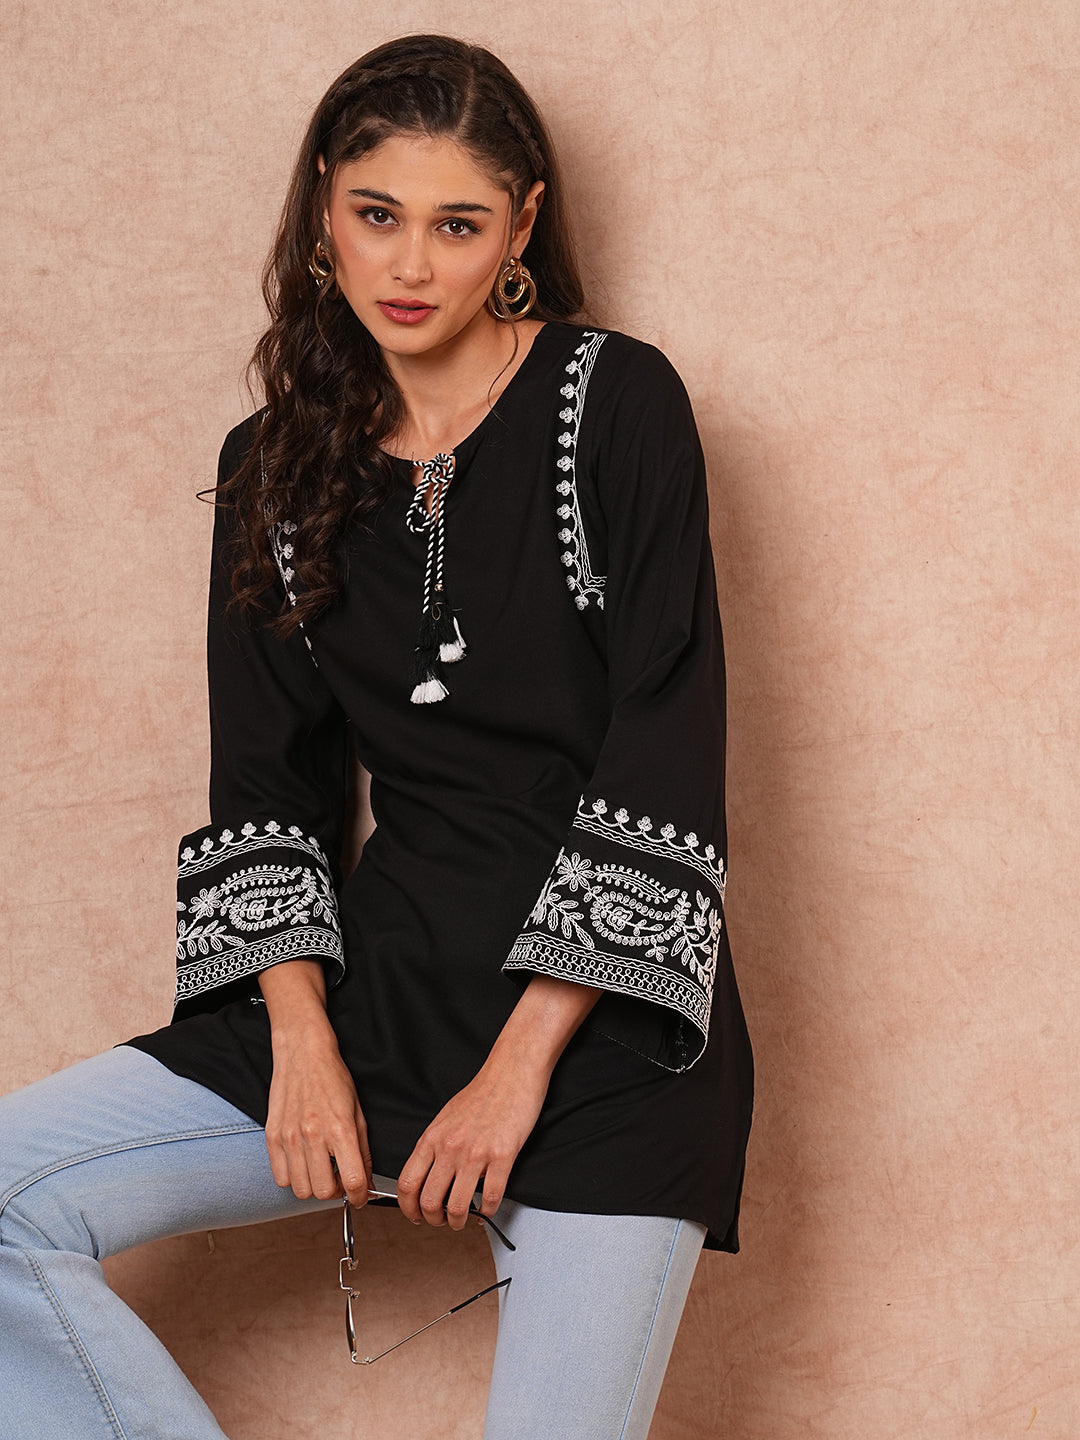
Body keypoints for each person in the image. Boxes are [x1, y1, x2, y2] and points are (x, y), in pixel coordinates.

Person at [0, 34, 753, 1440]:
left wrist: (513, 1078)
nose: (409, 265)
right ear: (323, 214)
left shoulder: (617, 402)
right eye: (376, 215)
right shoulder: (272, 465)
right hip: (377, 1000)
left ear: (521, 227)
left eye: (458, 224)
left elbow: (665, 740)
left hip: (603, 1046)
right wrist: (299, 1039)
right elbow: (265, 782)